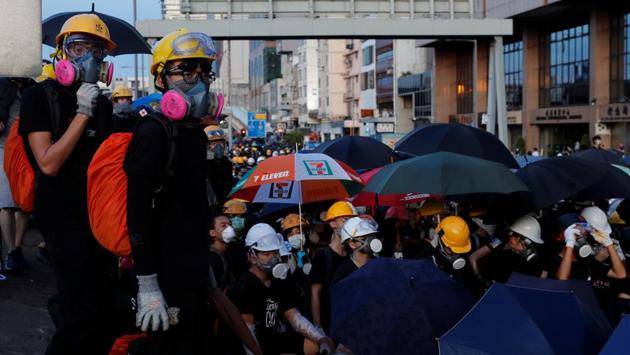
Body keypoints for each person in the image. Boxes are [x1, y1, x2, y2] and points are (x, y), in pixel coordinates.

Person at [19, 13, 118, 354]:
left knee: (105, 310)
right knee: (82, 312)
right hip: (61, 216)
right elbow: (48, 162)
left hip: (96, 218)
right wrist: (82, 113)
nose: (88, 58)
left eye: (97, 51)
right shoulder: (39, 97)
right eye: (79, 48)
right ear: (62, 52)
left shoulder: (101, 104)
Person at [124, 28, 218, 354]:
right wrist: (148, 283)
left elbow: (192, 208)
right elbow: (136, 213)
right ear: (162, 80)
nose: (199, 81)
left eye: (204, 72)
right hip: (162, 277)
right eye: (186, 71)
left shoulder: (195, 134)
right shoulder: (152, 132)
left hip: (191, 272)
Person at [227, 223, 335, 355]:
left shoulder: (277, 281)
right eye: (266, 254)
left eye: (275, 253)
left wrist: (320, 338)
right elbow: (247, 331)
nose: (272, 259)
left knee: (320, 346)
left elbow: (293, 316)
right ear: (251, 256)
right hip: (254, 346)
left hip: (273, 340)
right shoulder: (245, 286)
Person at [310, 201, 357, 332]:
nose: (349, 225)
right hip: (329, 322)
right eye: (345, 220)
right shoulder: (323, 256)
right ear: (333, 224)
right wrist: (318, 328)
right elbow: (315, 292)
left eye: (351, 221)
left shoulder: (353, 253)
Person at [0, 77, 30, 272]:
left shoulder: (33, 87)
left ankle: (16, 249)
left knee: (26, 204)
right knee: (6, 204)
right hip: (4, 148)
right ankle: (11, 251)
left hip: (28, 150)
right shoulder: (2, 85)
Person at [482, 215, 545, 283]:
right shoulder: (513, 259)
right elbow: (541, 276)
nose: (529, 247)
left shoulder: (501, 252)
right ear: (514, 239)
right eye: (527, 243)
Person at [331, 216, 382, 285]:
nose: (370, 241)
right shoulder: (344, 274)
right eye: (364, 238)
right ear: (352, 244)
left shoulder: (380, 265)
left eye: (371, 236)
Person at [205, 125, 233, 215]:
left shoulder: (227, 164)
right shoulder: (202, 165)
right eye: (213, 143)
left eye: (220, 142)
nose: (218, 147)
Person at [209, 214, 236, 289]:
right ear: (212, 233)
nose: (229, 228)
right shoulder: (212, 258)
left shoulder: (227, 251)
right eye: (223, 225)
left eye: (230, 224)